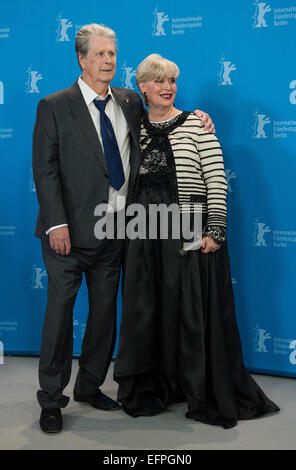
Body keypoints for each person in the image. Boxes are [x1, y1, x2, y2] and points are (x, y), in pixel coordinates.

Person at [33, 24, 214, 433]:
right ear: (82, 59)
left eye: (112, 54)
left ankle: (91, 385)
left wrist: (199, 117)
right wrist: (57, 223)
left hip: (115, 230)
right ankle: (50, 398)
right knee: (60, 316)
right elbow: (44, 171)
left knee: (103, 316)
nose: (108, 61)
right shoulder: (54, 105)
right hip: (67, 234)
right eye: (99, 54)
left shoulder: (130, 100)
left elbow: (162, 117)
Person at [113, 54, 279, 428]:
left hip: (189, 230)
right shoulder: (133, 128)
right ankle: (154, 385)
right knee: (147, 310)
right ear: (142, 87)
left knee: (191, 313)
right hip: (144, 234)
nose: (167, 87)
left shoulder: (196, 126)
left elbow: (217, 182)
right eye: (158, 81)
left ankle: (199, 389)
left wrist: (215, 231)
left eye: (172, 80)